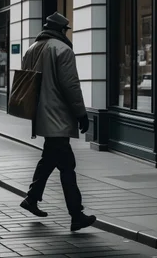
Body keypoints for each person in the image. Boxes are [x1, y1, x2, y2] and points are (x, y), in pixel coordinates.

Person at [20, 12, 96, 232]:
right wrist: (81, 113)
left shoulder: (32, 49)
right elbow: (70, 86)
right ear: (62, 30)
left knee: (49, 158)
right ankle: (76, 214)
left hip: (40, 115)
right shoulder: (62, 49)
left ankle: (32, 199)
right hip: (58, 116)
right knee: (67, 165)